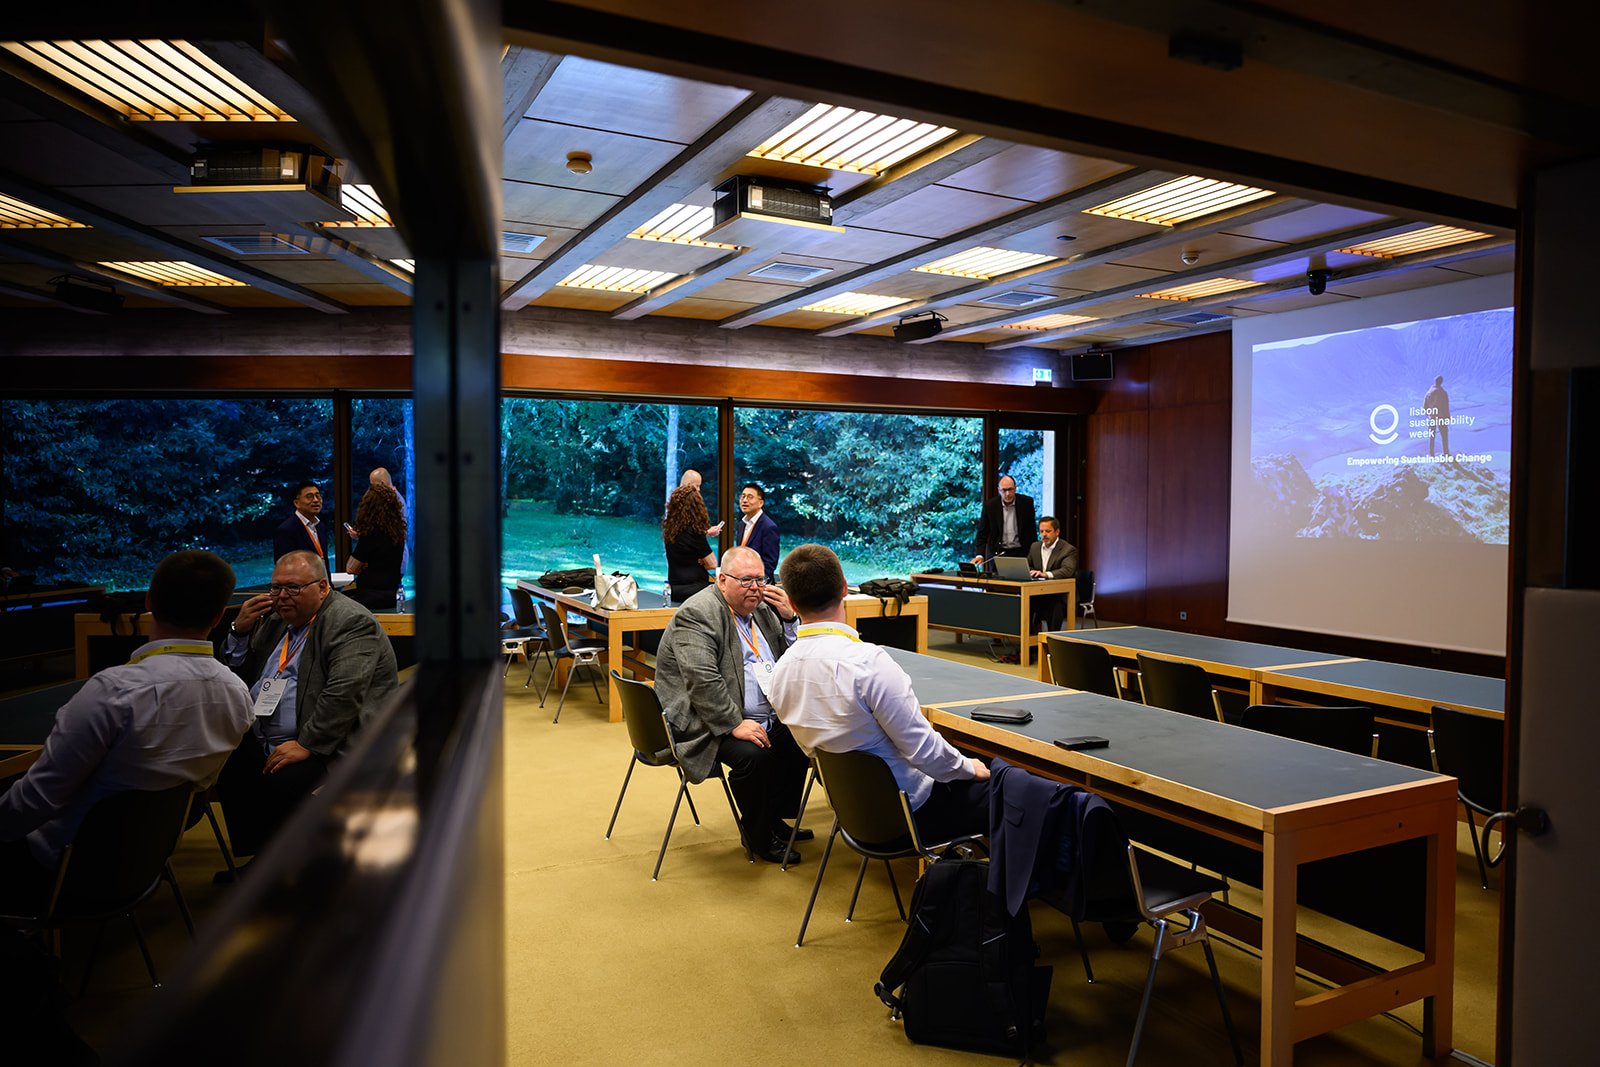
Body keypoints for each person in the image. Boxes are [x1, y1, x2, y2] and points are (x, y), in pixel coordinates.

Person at [0, 551, 253, 909]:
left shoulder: (113, 692)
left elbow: (37, 799)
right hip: (139, 866)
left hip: (57, 871)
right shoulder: (238, 695)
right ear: (217, 617)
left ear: (148, 601)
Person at [770, 544, 990, 843]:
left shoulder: (780, 672)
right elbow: (924, 752)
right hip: (915, 812)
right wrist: (969, 766)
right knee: (1010, 788)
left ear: (792, 604)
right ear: (845, 588)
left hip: (857, 814)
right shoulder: (868, 664)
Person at [216, 549, 398, 864]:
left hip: (336, 742)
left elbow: (343, 693)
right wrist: (238, 632)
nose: (282, 596)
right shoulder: (274, 620)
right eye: (276, 588)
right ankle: (264, 859)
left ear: (323, 587)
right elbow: (237, 675)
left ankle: (300, 866)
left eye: (293, 588)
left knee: (284, 780)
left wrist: (306, 744)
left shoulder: (349, 621)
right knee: (229, 768)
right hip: (269, 735)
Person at [653, 546, 808, 863]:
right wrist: (734, 724)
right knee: (754, 756)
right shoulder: (698, 614)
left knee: (802, 739)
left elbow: (792, 658)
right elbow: (702, 680)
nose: (756, 588)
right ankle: (758, 835)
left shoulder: (763, 610)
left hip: (762, 714)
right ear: (722, 580)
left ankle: (773, 817)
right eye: (747, 580)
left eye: (761, 580)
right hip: (705, 720)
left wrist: (791, 619)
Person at [344, 485, 407, 611]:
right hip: (392, 595)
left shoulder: (370, 535)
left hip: (369, 597)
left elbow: (350, 569)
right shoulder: (398, 533)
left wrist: (364, 564)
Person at [663, 484, 717, 604]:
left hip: (674, 589)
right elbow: (712, 564)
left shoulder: (670, 530)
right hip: (696, 589)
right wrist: (701, 560)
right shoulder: (695, 532)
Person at [972, 474, 1036, 568]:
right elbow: (982, 533)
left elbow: (1032, 531)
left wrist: (1033, 554)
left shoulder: (1026, 503)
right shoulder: (990, 506)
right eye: (1004, 490)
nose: (1007, 494)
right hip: (998, 553)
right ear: (999, 490)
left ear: (1015, 488)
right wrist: (979, 555)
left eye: (1010, 489)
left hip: (1021, 552)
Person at [1027, 515, 1078, 632]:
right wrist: (1031, 572)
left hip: (1060, 596)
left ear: (1057, 532)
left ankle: (1052, 643)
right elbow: (1028, 565)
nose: (1044, 534)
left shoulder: (1068, 549)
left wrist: (1045, 574)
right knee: (1025, 602)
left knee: (1055, 605)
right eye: (1041, 531)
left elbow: (1067, 570)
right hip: (1038, 593)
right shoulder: (1035, 547)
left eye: (1048, 531)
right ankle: (1029, 642)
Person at [273, 480, 333, 574]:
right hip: (302, 587)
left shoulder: (320, 526)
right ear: (297, 503)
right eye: (309, 497)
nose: (316, 500)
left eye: (318, 496)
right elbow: (283, 567)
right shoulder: (287, 530)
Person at [732, 482, 779, 580]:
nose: (744, 500)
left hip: (758, 585)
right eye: (743, 496)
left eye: (750, 497)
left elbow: (770, 564)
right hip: (742, 580)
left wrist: (758, 583)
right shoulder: (742, 524)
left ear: (760, 503)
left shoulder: (769, 527)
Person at [678, 468, 724, 536]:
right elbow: (688, 535)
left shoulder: (675, 502)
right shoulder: (686, 504)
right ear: (688, 485)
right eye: (697, 486)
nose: (698, 490)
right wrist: (707, 533)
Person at [1424, 375, 1451, 456]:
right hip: (1441, 417)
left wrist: (1429, 415)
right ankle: (1446, 453)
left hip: (1432, 417)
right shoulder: (1443, 393)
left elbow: (1425, 406)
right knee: (1444, 435)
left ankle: (1431, 453)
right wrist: (1447, 417)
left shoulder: (1428, 393)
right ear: (1441, 382)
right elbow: (1446, 406)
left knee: (1432, 436)